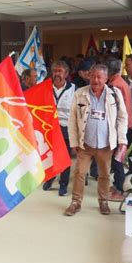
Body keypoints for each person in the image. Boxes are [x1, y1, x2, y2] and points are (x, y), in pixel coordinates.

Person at [65, 64, 128, 216]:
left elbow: (122, 117)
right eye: (93, 76)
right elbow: (72, 120)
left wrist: (121, 139)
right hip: (85, 144)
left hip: (106, 144)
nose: (96, 80)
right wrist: (73, 142)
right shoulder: (80, 93)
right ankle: (75, 202)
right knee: (79, 173)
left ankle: (103, 202)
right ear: (89, 76)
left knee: (105, 174)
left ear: (106, 78)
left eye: (100, 77)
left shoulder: (114, 94)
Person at [42, 61, 75, 196]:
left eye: (60, 71)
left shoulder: (74, 89)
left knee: (65, 158)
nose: (57, 74)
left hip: (66, 129)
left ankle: (63, 184)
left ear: (66, 74)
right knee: (50, 156)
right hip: (49, 128)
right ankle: (50, 178)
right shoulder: (45, 88)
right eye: (55, 71)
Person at [105, 57, 132, 201]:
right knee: (118, 159)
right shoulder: (122, 82)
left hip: (118, 127)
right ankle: (117, 185)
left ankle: (120, 190)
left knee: (117, 160)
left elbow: (115, 110)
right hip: (124, 125)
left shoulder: (114, 85)